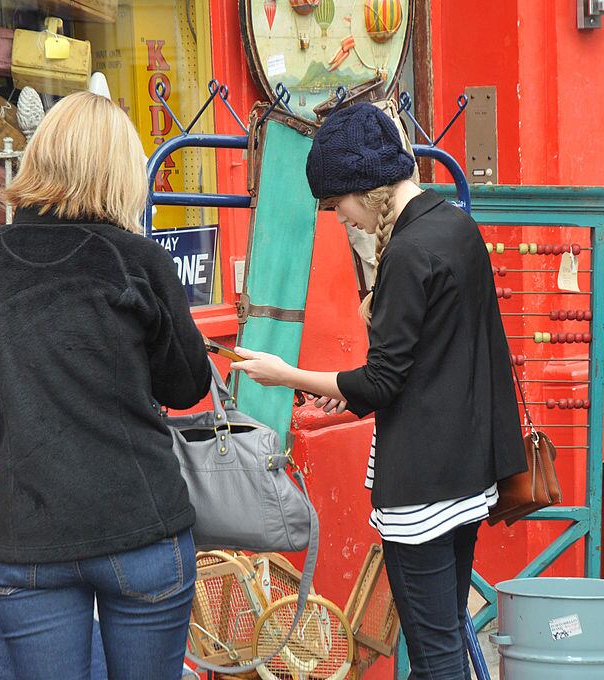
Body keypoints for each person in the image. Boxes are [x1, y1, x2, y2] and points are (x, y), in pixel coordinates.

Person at [0, 92, 211, 680]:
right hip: (139, 527)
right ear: (120, 172)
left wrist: (13, 445)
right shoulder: (139, 261)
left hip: (30, 536)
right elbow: (187, 385)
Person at [232, 102, 526, 679]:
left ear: (366, 189)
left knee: (435, 651)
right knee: (440, 641)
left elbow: (382, 382)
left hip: (422, 483)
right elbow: (434, 358)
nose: (342, 218)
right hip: (469, 472)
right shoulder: (455, 227)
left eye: (338, 204)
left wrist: (284, 373)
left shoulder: (410, 251)